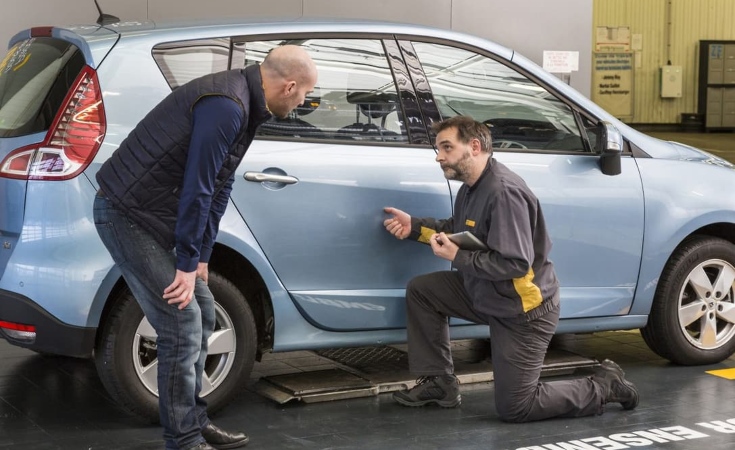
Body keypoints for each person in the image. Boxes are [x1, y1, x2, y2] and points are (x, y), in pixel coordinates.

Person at [93, 45, 317, 450]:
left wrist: (200, 256)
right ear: (288, 86)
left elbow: (220, 185)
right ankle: (184, 439)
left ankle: (194, 420)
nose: (304, 102)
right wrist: (183, 262)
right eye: (304, 94)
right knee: (181, 322)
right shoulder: (228, 106)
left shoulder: (246, 104)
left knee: (205, 313)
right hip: (126, 213)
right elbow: (197, 188)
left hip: (151, 214)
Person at [383, 116, 639, 423]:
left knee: (517, 407)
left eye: (446, 147)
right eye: (438, 148)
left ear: (474, 147)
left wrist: (458, 257)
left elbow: (516, 264)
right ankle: (439, 383)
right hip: (486, 292)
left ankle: (603, 385)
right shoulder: (471, 187)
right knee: (424, 291)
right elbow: (458, 230)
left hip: (523, 311)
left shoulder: (504, 192)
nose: (439, 156)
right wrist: (415, 228)